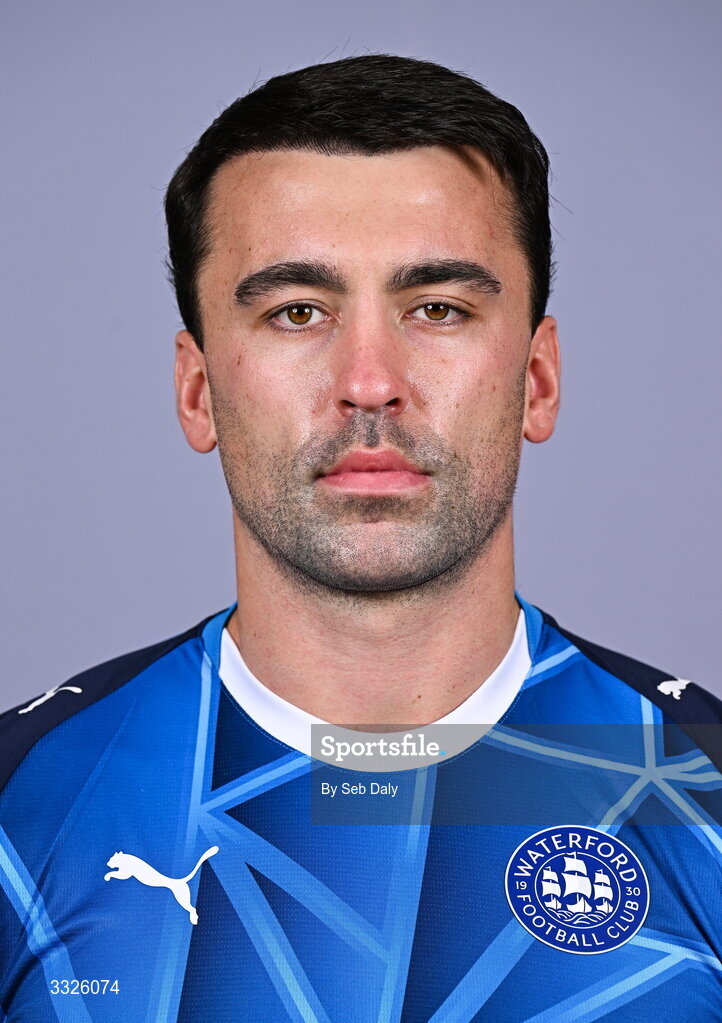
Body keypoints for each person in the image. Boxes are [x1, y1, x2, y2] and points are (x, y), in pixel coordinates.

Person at [0, 54, 720, 1022]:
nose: (370, 381)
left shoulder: (697, 786)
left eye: (437, 309)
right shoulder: (25, 805)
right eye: (297, 312)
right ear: (196, 388)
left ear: (536, 380)